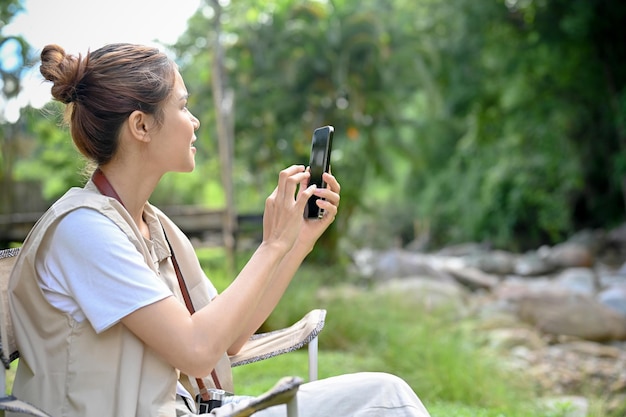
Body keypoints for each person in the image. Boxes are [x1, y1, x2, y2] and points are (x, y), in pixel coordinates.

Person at [7, 43, 431, 417]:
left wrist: (294, 243)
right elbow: (196, 351)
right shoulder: (84, 231)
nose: (195, 122)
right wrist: (272, 246)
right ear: (141, 126)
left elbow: (229, 339)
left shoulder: (154, 227)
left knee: (385, 394)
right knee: (385, 400)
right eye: (183, 106)